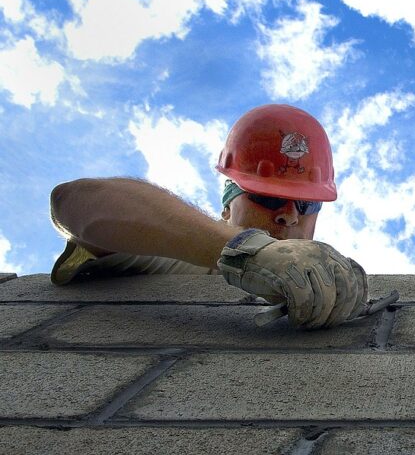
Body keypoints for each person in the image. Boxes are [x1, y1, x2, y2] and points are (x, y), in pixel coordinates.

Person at [49, 103, 368, 328]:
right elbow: (74, 202)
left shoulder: (328, 290)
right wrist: (248, 251)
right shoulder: (172, 256)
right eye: (266, 198)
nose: (289, 216)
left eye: (307, 204)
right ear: (228, 205)